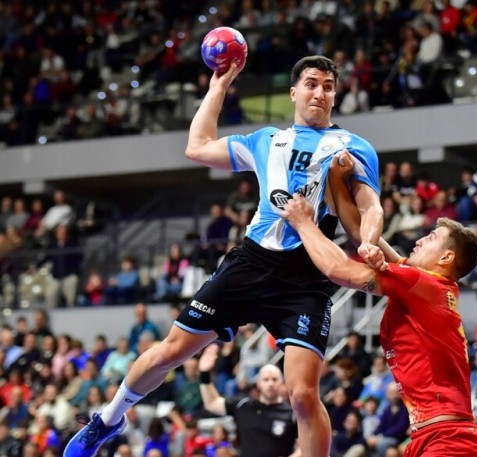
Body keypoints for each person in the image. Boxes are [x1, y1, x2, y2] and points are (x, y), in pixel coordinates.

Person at [65, 56, 383, 457]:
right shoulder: (267, 140)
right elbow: (196, 147)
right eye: (311, 83)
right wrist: (219, 85)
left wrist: (369, 241)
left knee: (303, 394)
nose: (319, 92)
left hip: (306, 276)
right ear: (293, 92)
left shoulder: (354, 147)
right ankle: (109, 420)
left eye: (327, 86)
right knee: (172, 350)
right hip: (250, 264)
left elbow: (371, 207)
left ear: (336, 95)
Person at [279, 155, 477, 456]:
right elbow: (361, 234)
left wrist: (303, 223)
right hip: (432, 434)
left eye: (430, 238)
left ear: (446, 259)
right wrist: (338, 181)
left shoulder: (423, 285)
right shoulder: (425, 286)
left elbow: (338, 271)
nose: (419, 240)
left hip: (447, 439)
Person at [198, 345, 300, 457]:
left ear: (281, 383)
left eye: (274, 379)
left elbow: (304, 446)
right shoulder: (244, 406)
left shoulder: (292, 414)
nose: (270, 384)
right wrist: (204, 373)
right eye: (266, 380)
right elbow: (212, 403)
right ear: (258, 384)